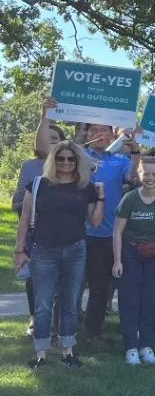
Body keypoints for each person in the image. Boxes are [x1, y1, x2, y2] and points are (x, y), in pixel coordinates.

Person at [13, 141, 104, 368]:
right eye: (60, 158)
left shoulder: (85, 186)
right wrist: (19, 250)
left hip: (75, 249)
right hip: (43, 250)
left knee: (70, 303)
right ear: (53, 160)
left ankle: (67, 351)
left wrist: (101, 197)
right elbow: (24, 220)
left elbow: (95, 221)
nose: (65, 163)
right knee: (43, 303)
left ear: (77, 162)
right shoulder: (37, 185)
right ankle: (40, 354)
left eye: (70, 159)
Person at [77, 117, 141, 345]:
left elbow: (132, 177)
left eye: (103, 130)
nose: (98, 134)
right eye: (93, 129)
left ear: (112, 136)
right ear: (86, 134)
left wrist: (135, 153)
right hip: (77, 231)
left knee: (100, 287)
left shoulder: (120, 160)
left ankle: (93, 333)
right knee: (71, 285)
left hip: (107, 235)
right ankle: (61, 331)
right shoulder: (77, 156)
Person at [112, 156, 155, 365]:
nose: (150, 178)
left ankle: (146, 345)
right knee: (130, 300)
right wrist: (117, 261)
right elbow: (117, 232)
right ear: (139, 175)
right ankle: (131, 346)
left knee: (151, 301)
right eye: (146, 174)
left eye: (154, 174)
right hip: (131, 253)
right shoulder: (129, 199)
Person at [15, 100, 65, 337]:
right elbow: (17, 202)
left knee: (61, 281)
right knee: (35, 279)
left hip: (64, 235)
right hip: (36, 233)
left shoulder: (71, 165)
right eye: (48, 138)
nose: (52, 142)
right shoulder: (30, 166)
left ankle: (57, 323)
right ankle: (35, 320)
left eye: (56, 139)